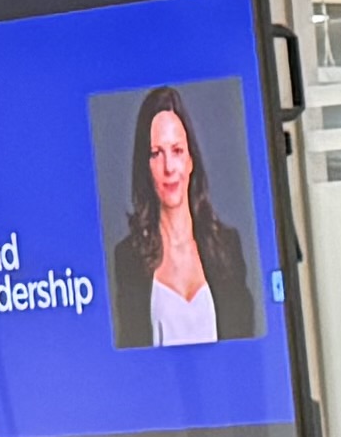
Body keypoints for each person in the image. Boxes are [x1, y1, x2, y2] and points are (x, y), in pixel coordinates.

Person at [105, 87, 254, 347]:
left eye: (177, 150)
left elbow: (249, 352)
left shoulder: (227, 246)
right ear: (145, 165)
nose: (169, 167)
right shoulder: (128, 257)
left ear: (190, 160)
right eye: (156, 153)